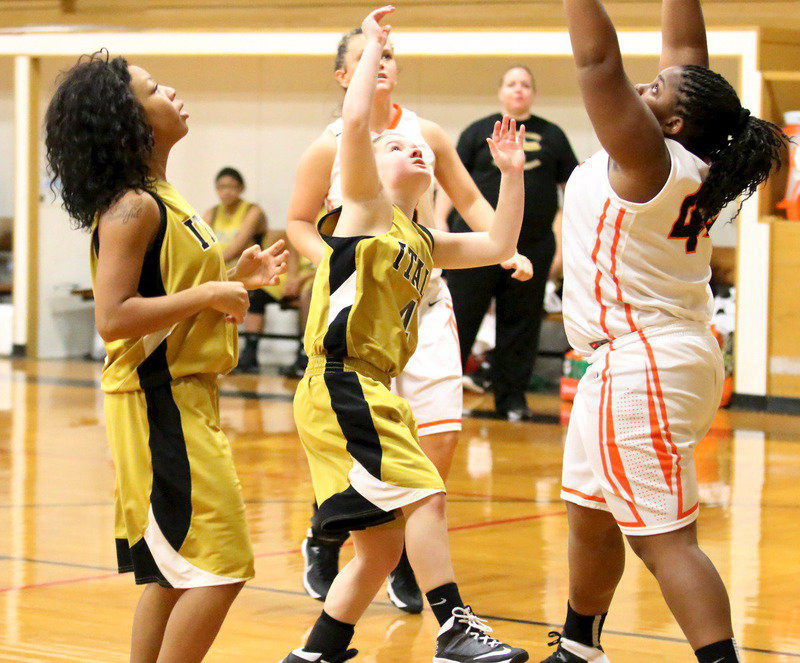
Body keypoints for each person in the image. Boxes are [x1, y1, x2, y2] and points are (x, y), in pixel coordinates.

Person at [282, 8, 529, 662]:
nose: (412, 147)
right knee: (424, 489)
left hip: (367, 387)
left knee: (383, 545)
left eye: (415, 147)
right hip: (342, 383)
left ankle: (316, 650)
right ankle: (452, 627)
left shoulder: (423, 238)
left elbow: (499, 239)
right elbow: (357, 128)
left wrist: (511, 176)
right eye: (396, 148)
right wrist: (375, 45)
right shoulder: (363, 213)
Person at [543, 1, 786, 662]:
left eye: (653, 91)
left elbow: (598, 63)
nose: (644, 87)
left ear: (671, 121)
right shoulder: (689, 149)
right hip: (650, 354)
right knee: (588, 511)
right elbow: (683, 55)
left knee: (665, 540)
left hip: (641, 360)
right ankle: (580, 645)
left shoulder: (649, 156)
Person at [44, 52, 288, 663]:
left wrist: (235, 277)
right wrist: (209, 292)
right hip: (158, 405)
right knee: (223, 566)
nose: (171, 91)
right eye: (153, 88)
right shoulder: (135, 207)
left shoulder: (160, 196)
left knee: (170, 571)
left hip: (179, 401)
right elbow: (113, 316)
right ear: (129, 120)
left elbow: (164, 296)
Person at [436, 65, 579, 421]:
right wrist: (439, 225)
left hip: (533, 247)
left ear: (533, 93)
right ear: (501, 91)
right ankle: (441, 395)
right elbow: (453, 184)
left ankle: (511, 398)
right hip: (474, 245)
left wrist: (562, 245)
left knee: (521, 323)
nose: (518, 90)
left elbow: (571, 192)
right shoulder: (478, 131)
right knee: (460, 319)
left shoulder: (553, 135)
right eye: (511, 84)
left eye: (525, 85)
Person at [202, 167, 270, 373]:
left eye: (231, 187)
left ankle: (249, 353)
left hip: (250, 272)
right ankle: (207, 350)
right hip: (220, 272)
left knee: (253, 294)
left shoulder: (253, 211)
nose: (226, 192)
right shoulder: (211, 212)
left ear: (241, 189)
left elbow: (238, 246)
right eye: (222, 187)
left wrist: (215, 268)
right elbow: (201, 244)